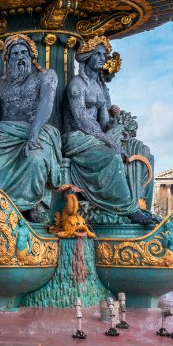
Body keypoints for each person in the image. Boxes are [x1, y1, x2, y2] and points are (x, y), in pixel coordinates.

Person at [62, 36, 156, 224]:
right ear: (86, 57)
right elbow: (81, 121)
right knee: (113, 157)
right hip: (76, 139)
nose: (102, 58)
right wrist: (109, 140)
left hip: (97, 137)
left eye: (104, 54)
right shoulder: (76, 85)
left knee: (143, 153)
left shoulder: (99, 88)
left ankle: (140, 203)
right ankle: (127, 209)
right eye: (97, 54)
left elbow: (104, 122)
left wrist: (118, 127)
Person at [0, 34, 61, 222]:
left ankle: (30, 206)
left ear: (32, 56)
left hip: (36, 128)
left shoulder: (46, 76)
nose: (20, 56)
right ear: (7, 59)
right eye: (14, 53)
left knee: (35, 157)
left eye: (24, 52)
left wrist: (33, 135)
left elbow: (46, 104)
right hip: (4, 131)